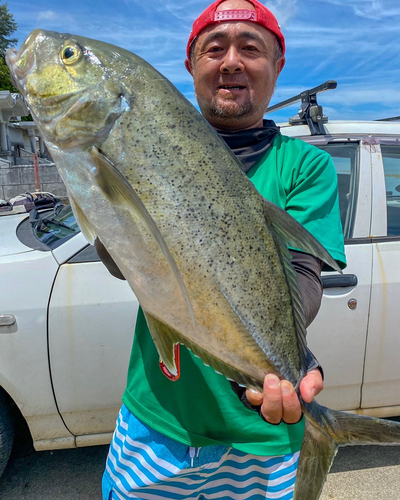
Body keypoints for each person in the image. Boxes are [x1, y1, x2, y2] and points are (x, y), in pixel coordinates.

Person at [100, 0, 346, 498]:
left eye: (250, 48)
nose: (231, 60)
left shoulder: (306, 166)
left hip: (264, 438)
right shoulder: (150, 148)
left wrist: (286, 357)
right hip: (157, 420)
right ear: (191, 66)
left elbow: (302, 274)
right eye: (214, 48)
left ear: (276, 67)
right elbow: (118, 260)